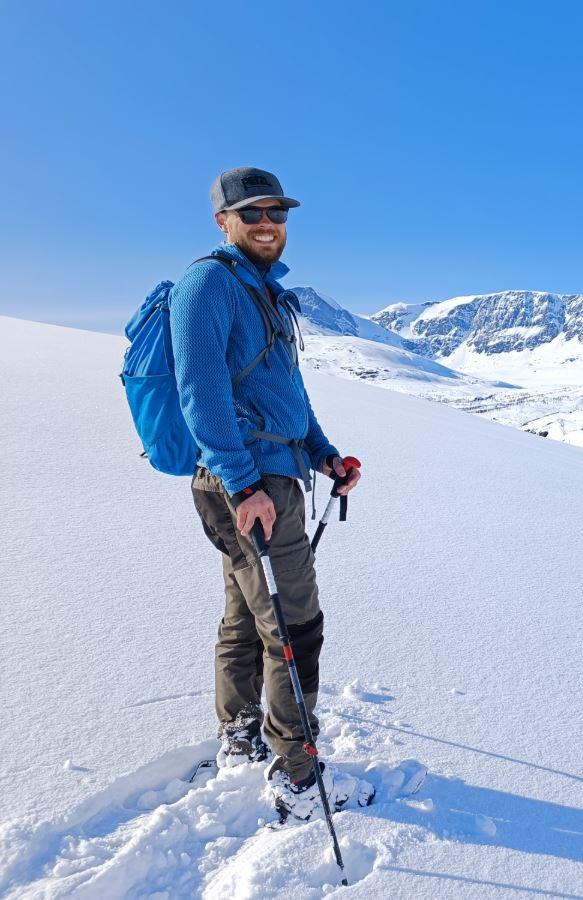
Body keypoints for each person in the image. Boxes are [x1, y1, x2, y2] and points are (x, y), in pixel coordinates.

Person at [170, 166, 372, 820]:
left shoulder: (266, 295)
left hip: (261, 481)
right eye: (252, 212)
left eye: (277, 213)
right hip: (247, 486)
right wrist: (246, 484)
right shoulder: (209, 284)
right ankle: (296, 774)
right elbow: (200, 393)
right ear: (223, 221)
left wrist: (323, 455)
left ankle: (241, 735)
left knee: (247, 613)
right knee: (295, 624)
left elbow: (289, 396)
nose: (267, 223)